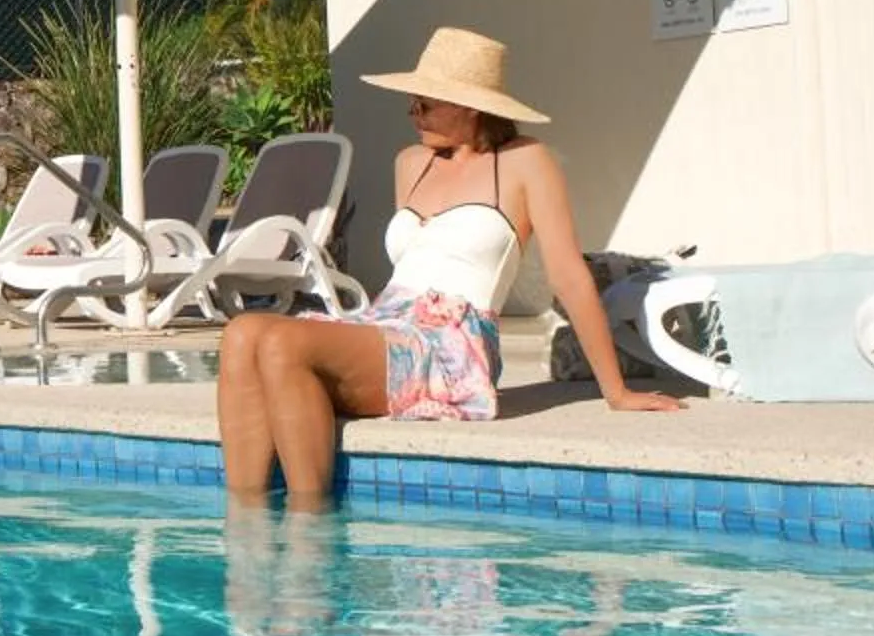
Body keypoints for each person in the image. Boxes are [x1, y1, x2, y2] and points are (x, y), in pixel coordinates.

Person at [218, 26, 680, 505]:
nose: (413, 113)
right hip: (389, 321)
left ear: (471, 105)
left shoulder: (525, 162)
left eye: (426, 104)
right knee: (242, 334)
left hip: (452, 343)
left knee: (280, 341)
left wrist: (616, 392)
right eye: (413, 102)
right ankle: (246, 530)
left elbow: (569, 275)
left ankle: (309, 531)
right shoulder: (410, 161)